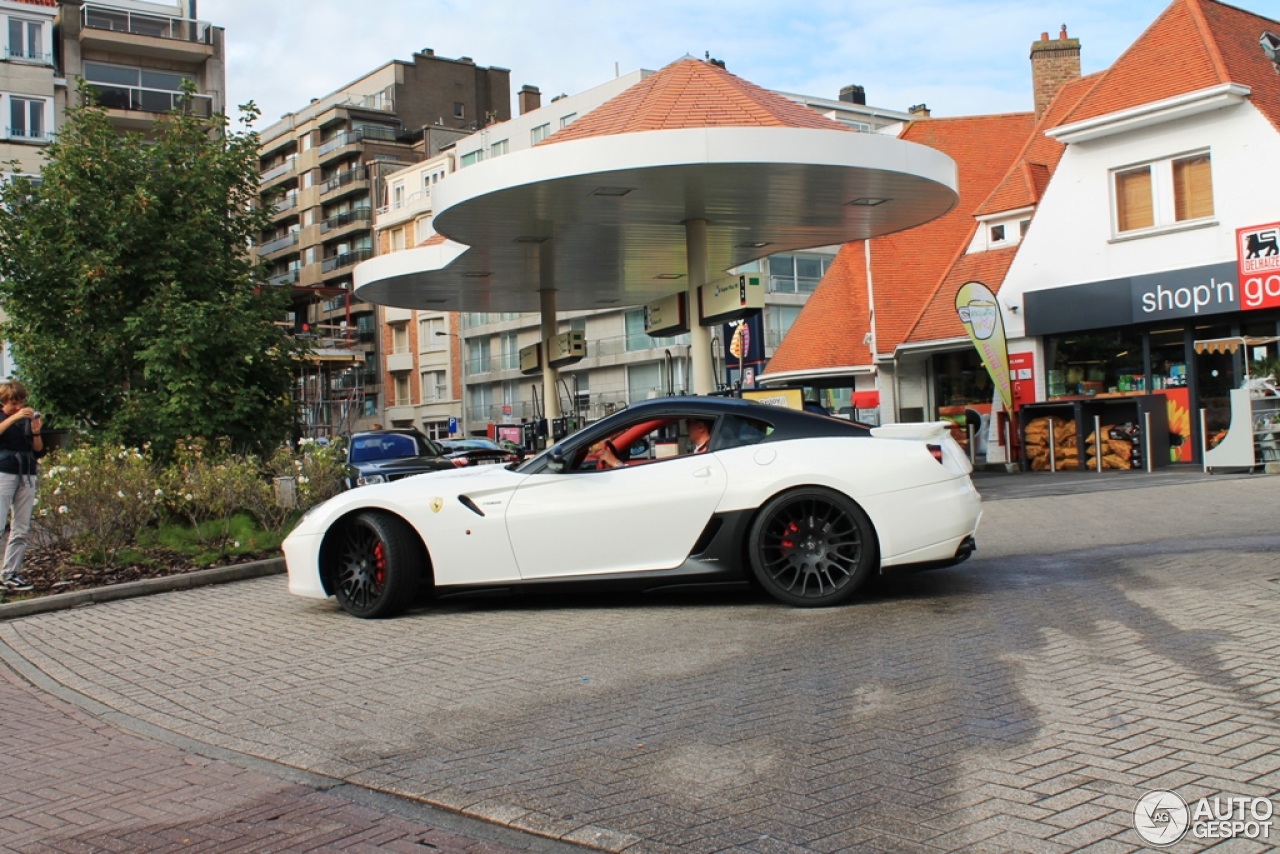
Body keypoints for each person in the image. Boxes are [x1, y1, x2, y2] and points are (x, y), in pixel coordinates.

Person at [0, 381, 43, 591]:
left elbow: (38, 449)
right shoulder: (5, 418)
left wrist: (35, 432)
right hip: (4, 471)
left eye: (21, 403)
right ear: (3, 402)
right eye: (13, 403)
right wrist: (14, 418)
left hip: (26, 472)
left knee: (21, 526)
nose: (18, 407)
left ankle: (10, 573)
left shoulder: (26, 420)